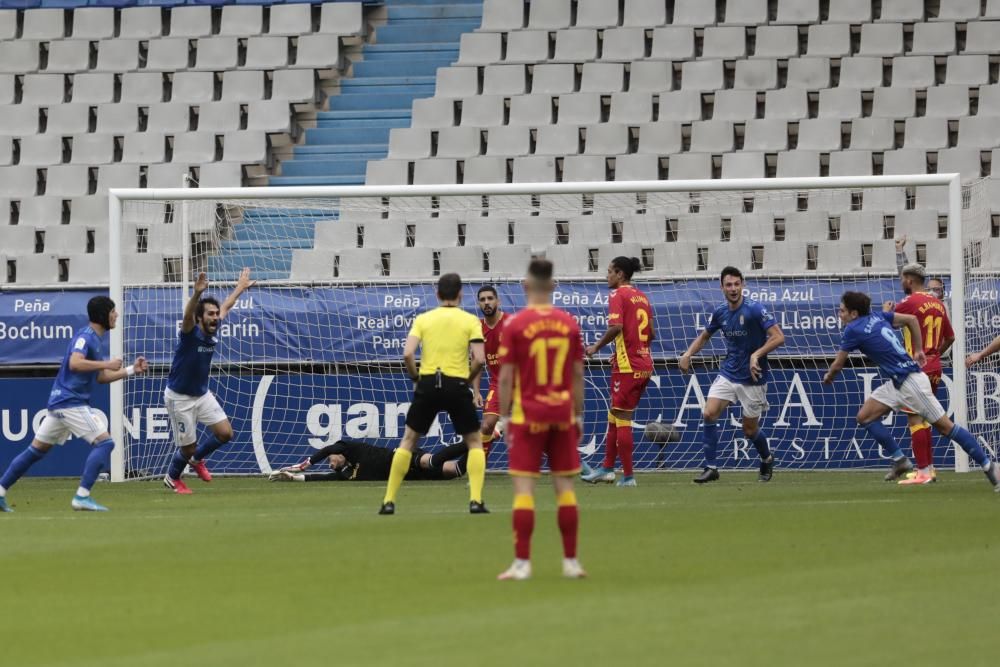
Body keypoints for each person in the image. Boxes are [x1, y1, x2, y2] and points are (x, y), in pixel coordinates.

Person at [824, 291, 998, 490]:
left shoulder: (852, 329)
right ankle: (900, 460)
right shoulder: (878, 316)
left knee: (945, 427)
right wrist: (917, 349)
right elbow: (912, 320)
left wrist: (829, 376)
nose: (839, 314)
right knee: (865, 416)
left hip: (911, 382)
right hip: (898, 382)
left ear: (854, 314)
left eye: (842, 310)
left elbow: (838, 364)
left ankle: (989, 467)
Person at [0, 296, 148, 512]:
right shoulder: (86, 337)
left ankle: (1, 491)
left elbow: (101, 377)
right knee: (105, 443)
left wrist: (131, 370)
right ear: (102, 314)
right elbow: (75, 362)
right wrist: (106, 362)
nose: (116, 315)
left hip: (61, 402)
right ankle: (82, 496)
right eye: (113, 311)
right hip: (71, 402)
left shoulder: (95, 340)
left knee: (36, 451)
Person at [497, 259, 586, 580]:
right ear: (553, 285)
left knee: (524, 490)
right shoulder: (569, 323)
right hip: (562, 413)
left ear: (525, 286)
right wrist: (578, 414)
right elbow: (577, 374)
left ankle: (522, 564)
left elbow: (506, 378)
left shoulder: (516, 325)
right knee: (564, 488)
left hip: (527, 414)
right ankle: (571, 562)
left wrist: (504, 418)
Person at [379, 273, 488, 515]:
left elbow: (408, 354)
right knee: (474, 443)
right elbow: (480, 358)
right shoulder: (470, 320)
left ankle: (389, 501)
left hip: (428, 383)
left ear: (437, 294)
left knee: (408, 441)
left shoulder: (424, 319)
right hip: (456, 384)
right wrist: (467, 381)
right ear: (460, 295)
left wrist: (416, 379)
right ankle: (476, 501)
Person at [679, 266, 785, 484]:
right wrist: (688, 353)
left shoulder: (755, 309)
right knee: (708, 413)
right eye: (729, 284)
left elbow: (778, 337)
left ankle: (766, 457)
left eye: (737, 284)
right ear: (722, 287)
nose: (733, 288)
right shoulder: (720, 312)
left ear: (743, 285)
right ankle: (711, 467)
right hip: (729, 373)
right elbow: (705, 336)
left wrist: (756, 355)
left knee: (749, 430)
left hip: (753, 378)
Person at [162, 269, 254, 494]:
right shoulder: (189, 332)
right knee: (187, 447)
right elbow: (187, 316)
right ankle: (172, 477)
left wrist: (240, 288)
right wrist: (196, 294)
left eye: (215, 314)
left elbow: (227, 306)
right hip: (180, 397)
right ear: (199, 317)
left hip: (201, 394)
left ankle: (197, 459)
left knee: (225, 433)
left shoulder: (214, 326)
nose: (215, 317)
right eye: (210, 314)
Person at [580, 256, 654, 487]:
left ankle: (629, 476)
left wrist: (596, 347)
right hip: (644, 364)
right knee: (615, 415)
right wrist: (636, 347)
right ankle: (607, 468)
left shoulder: (617, 295)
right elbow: (651, 332)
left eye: (610, 271)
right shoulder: (642, 296)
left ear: (620, 274)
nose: (607, 275)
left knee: (622, 418)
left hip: (628, 366)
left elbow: (617, 327)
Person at [882, 263, 954, 484]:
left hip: (916, 367)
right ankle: (929, 469)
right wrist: (934, 355)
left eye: (902, 278)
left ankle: (922, 471)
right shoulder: (939, 304)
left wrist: (886, 311)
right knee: (927, 419)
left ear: (909, 280)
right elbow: (950, 337)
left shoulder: (909, 302)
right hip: (934, 366)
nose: (901, 282)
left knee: (915, 418)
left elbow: (884, 326)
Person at [269, 441, 468, 482]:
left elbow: (329, 448)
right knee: (457, 470)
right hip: (410, 477)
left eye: (331, 459)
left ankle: (472, 438)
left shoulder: (351, 449)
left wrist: (304, 464)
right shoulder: (344, 475)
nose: (330, 462)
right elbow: (321, 478)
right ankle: (484, 439)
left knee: (431, 462)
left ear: (340, 453)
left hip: (400, 458)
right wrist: (294, 478)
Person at [470, 285, 506, 457]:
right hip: (498, 384)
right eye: (483, 300)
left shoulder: (511, 323)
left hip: (523, 382)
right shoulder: (477, 328)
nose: (487, 303)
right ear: (479, 304)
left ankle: (576, 464)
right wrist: (476, 391)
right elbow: (477, 361)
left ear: (498, 301)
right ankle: (479, 467)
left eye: (490, 298)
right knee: (486, 426)